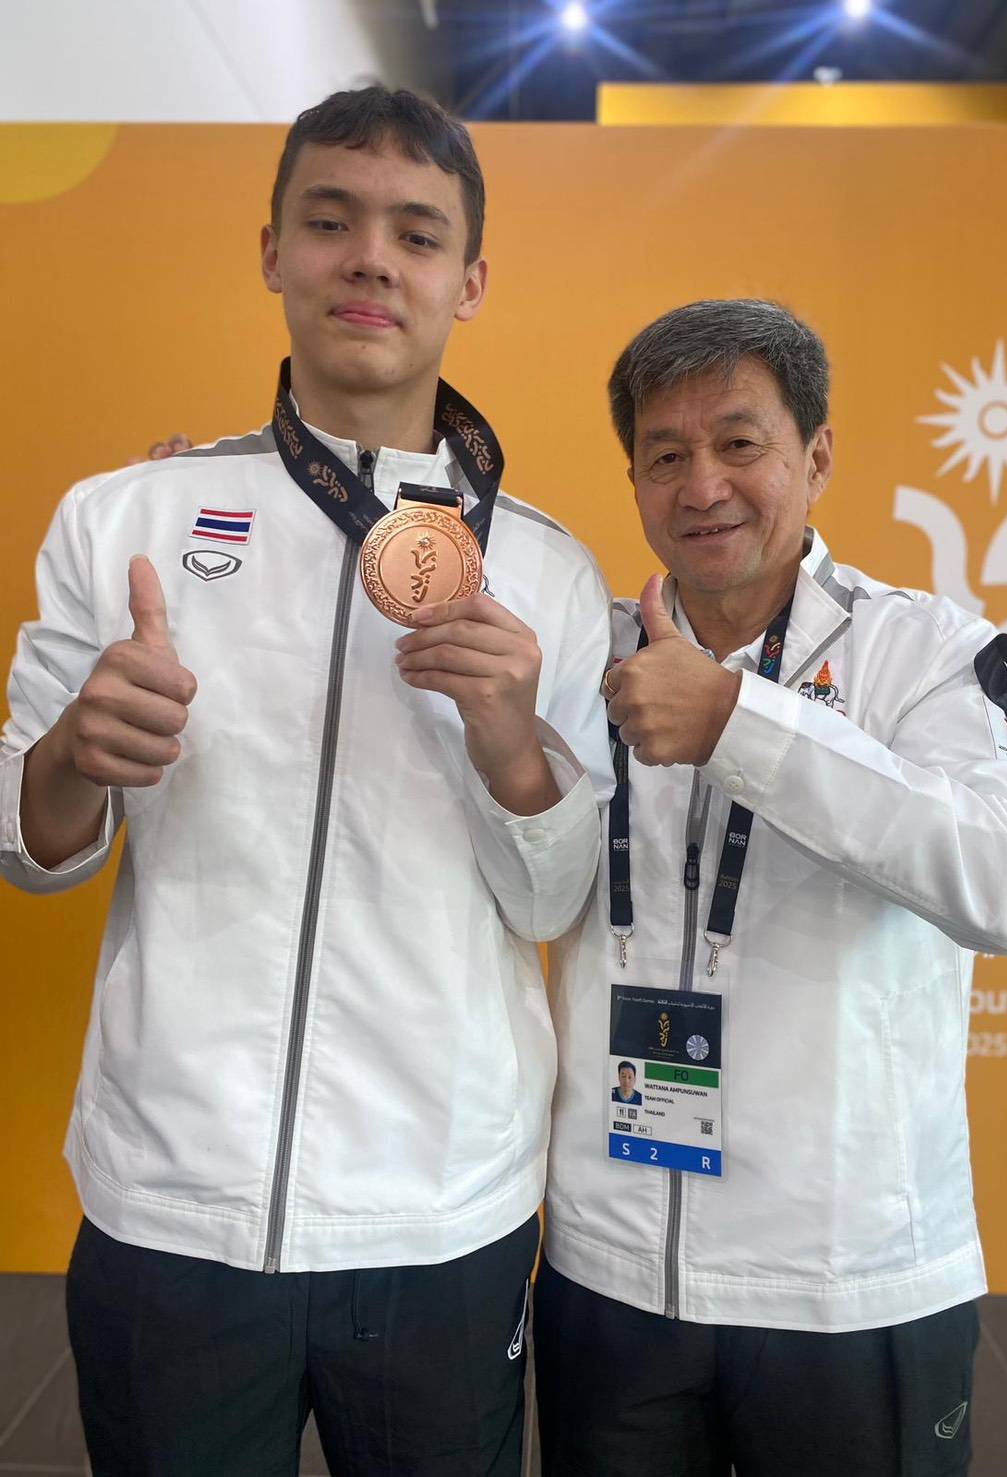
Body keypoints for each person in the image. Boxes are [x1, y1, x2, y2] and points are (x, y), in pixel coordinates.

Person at [0, 86, 612, 1476]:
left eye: (417, 233)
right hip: (173, 1199)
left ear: (470, 279)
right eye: (330, 222)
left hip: (440, 1206)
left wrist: (513, 747)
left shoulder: (549, 572)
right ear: (272, 250)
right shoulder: (126, 518)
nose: (371, 260)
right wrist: (70, 754)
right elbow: (32, 847)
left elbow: (556, 899)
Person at [536, 299, 1007, 1477]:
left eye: (740, 444)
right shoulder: (583, 653)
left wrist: (743, 722)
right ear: (634, 481)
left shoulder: (927, 650)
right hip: (610, 1270)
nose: (703, 486)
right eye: (665, 456)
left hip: (847, 1279)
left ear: (816, 456)